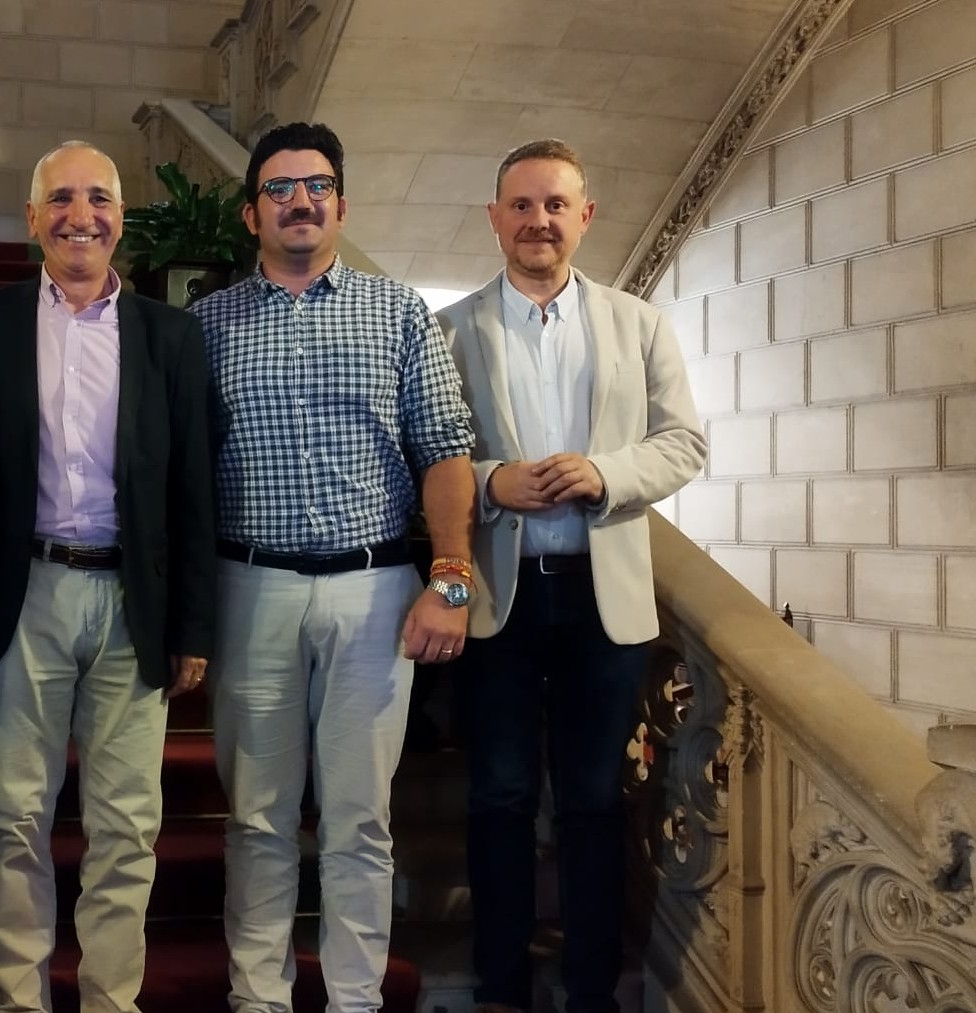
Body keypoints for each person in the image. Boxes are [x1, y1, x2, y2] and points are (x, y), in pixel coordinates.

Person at [190, 121, 477, 1012]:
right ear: (252, 214)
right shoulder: (205, 325)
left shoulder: (398, 312)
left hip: (374, 591)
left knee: (359, 817)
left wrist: (451, 580)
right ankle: (259, 997)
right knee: (258, 817)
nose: (300, 201)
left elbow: (446, 451)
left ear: (342, 206)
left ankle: (356, 999)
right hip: (250, 589)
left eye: (316, 185)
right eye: (279, 188)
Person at [0, 140, 215, 1013]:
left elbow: (193, 485)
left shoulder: (171, 334)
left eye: (97, 199)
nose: (79, 215)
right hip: (27, 591)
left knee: (127, 822)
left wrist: (193, 623)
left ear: (121, 219)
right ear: (32, 217)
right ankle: (20, 998)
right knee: (14, 814)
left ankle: (109, 999)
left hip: (136, 600)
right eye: (60, 199)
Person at [435, 139, 706, 1013]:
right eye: (521, 205)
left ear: (585, 216)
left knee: (593, 799)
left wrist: (605, 473)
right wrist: (491, 482)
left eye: (555, 204)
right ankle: (502, 984)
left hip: (603, 595)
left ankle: (591, 988)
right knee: (501, 794)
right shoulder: (449, 329)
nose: (538, 220)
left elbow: (684, 443)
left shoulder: (639, 323)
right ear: (494, 218)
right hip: (499, 596)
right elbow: (426, 453)